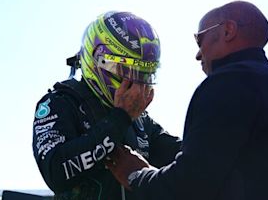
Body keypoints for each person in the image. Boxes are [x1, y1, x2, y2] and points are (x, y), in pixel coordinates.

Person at [107, 1, 268, 200]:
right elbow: (214, 158)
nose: (197, 54)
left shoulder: (228, 81)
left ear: (228, 31)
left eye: (199, 40)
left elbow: (188, 187)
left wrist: (136, 175)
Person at [32, 11, 181, 200]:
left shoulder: (141, 121)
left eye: (144, 74)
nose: (137, 85)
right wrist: (120, 118)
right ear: (98, 61)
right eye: (127, 70)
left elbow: (186, 156)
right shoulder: (59, 103)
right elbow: (55, 173)